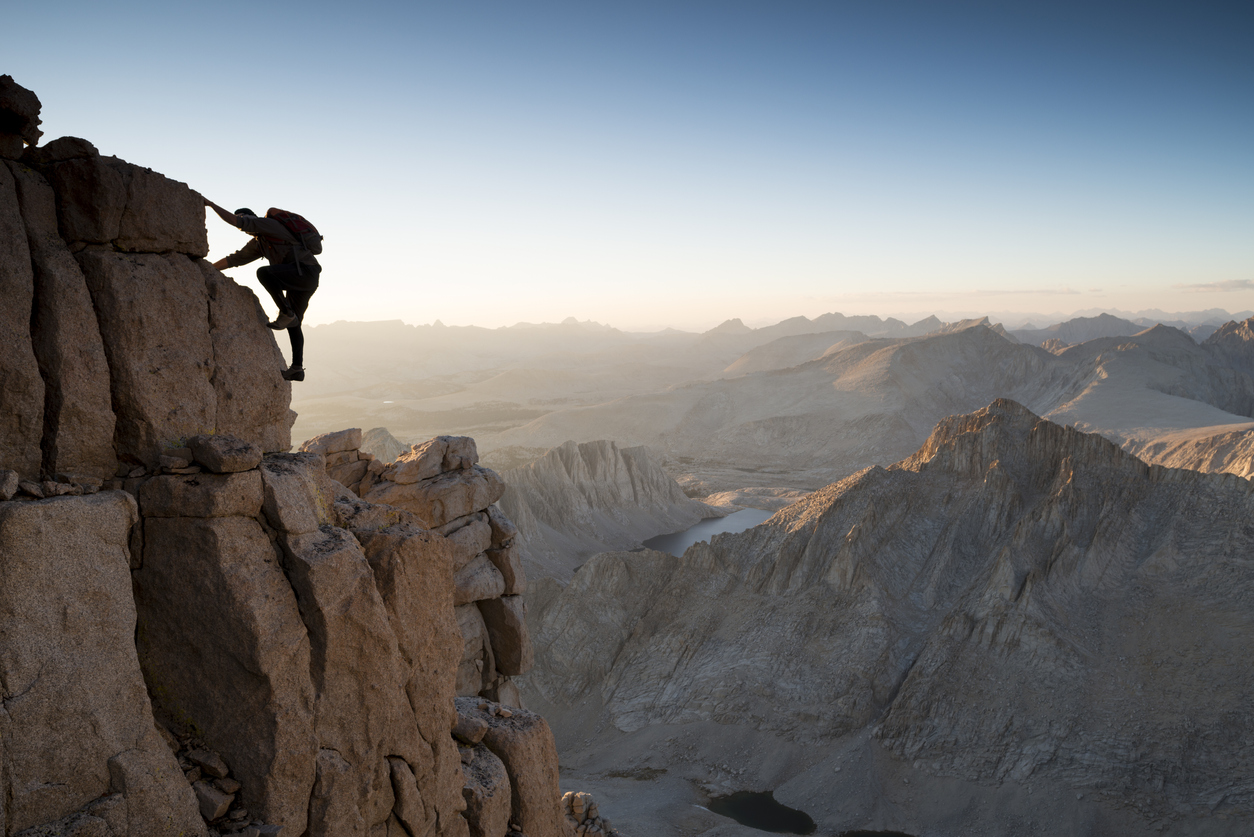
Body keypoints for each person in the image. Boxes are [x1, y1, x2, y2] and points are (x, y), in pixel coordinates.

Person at [205, 200, 320, 382]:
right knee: (294, 323)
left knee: (264, 273)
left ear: (252, 218)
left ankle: (286, 312)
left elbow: (238, 222)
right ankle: (297, 368)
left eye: (244, 219)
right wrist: (207, 268)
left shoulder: (269, 225)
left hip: (305, 272)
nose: (242, 224)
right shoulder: (259, 243)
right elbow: (235, 259)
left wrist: (211, 205)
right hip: (303, 277)